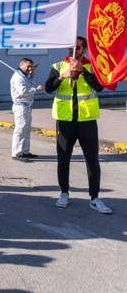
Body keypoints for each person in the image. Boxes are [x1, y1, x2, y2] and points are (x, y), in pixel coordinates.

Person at [45, 36, 111, 214]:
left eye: (78, 47)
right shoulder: (58, 66)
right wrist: (62, 76)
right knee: (63, 158)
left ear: (85, 49)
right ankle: (64, 193)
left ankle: (94, 198)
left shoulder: (93, 66)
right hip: (65, 120)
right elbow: (48, 88)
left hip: (86, 120)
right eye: (71, 47)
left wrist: (83, 71)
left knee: (92, 160)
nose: (73, 51)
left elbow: (99, 87)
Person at [10, 58, 43, 162]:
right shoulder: (18, 77)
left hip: (27, 106)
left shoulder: (25, 76)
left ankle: (25, 151)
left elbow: (31, 84)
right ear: (22, 65)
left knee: (26, 129)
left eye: (31, 66)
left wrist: (32, 74)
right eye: (28, 66)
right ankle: (16, 153)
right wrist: (36, 89)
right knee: (20, 129)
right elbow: (23, 92)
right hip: (20, 106)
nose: (30, 68)